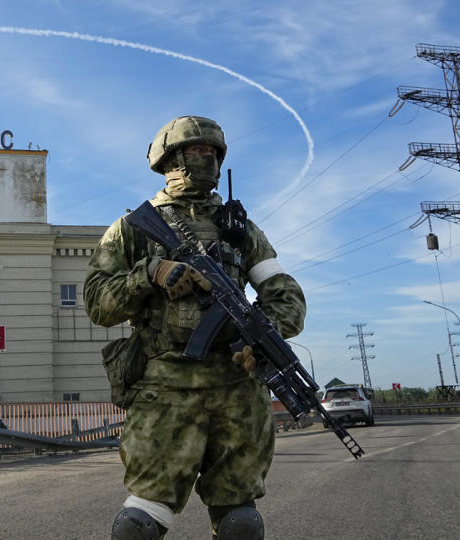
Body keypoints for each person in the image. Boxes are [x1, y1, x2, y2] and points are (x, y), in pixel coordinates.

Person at [84, 116, 306, 540]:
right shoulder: (132, 228)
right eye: (197, 151)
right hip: (165, 388)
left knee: (241, 522)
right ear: (172, 159)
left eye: (213, 153)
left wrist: (263, 336)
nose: (207, 160)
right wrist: (148, 273)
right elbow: (97, 303)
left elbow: (286, 294)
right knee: (140, 525)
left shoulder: (241, 230)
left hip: (236, 389)